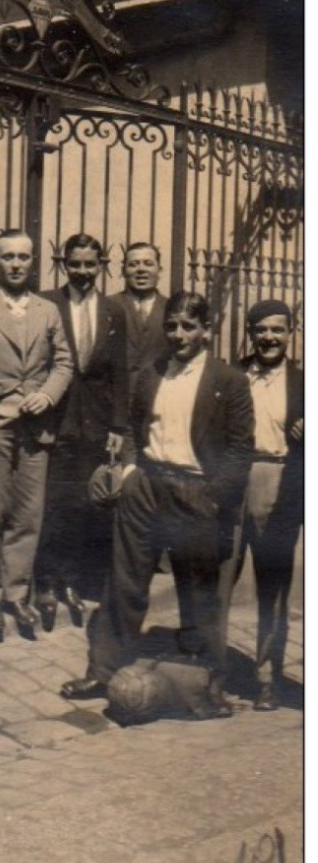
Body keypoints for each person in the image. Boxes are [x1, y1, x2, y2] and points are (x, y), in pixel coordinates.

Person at [62, 291, 254, 717]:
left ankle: (206, 687)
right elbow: (132, 428)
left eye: (189, 326)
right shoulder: (151, 374)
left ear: (207, 330)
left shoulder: (228, 381)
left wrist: (212, 496)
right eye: (172, 326)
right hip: (146, 488)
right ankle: (104, 669)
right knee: (124, 580)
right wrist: (130, 473)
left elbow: (241, 451)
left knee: (198, 592)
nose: (179, 335)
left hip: (196, 493)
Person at [0, 229, 73, 640]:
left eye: (24, 257)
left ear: (35, 262)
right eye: (8, 256)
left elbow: (64, 362)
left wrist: (47, 397)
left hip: (36, 424)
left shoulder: (47, 310)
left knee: (27, 513)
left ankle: (16, 592)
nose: (16, 264)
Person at [35, 233, 128, 623]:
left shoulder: (112, 311)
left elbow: (119, 373)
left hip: (95, 424)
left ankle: (70, 582)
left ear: (101, 265)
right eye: (76, 264)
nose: (83, 272)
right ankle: (43, 583)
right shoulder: (47, 304)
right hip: (55, 421)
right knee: (51, 503)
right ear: (64, 264)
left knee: (81, 507)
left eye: (91, 265)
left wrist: (118, 425)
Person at [238, 300, 303, 711]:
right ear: (250, 333)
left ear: (290, 332)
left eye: (277, 330)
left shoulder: (305, 383)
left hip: (280, 481)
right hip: (234, 480)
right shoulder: (232, 374)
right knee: (219, 575)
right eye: (261, 330)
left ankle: (266, 676)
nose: (269, 338)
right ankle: (209, 672)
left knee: (272, 584)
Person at [108, 242, 169, 397]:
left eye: (148, 264)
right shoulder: (107, 306)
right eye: (133, 264)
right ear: (123, 271)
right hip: (116, 401)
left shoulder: (172, 308)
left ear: (159, 270)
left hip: (160, 398)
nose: (141, 270)